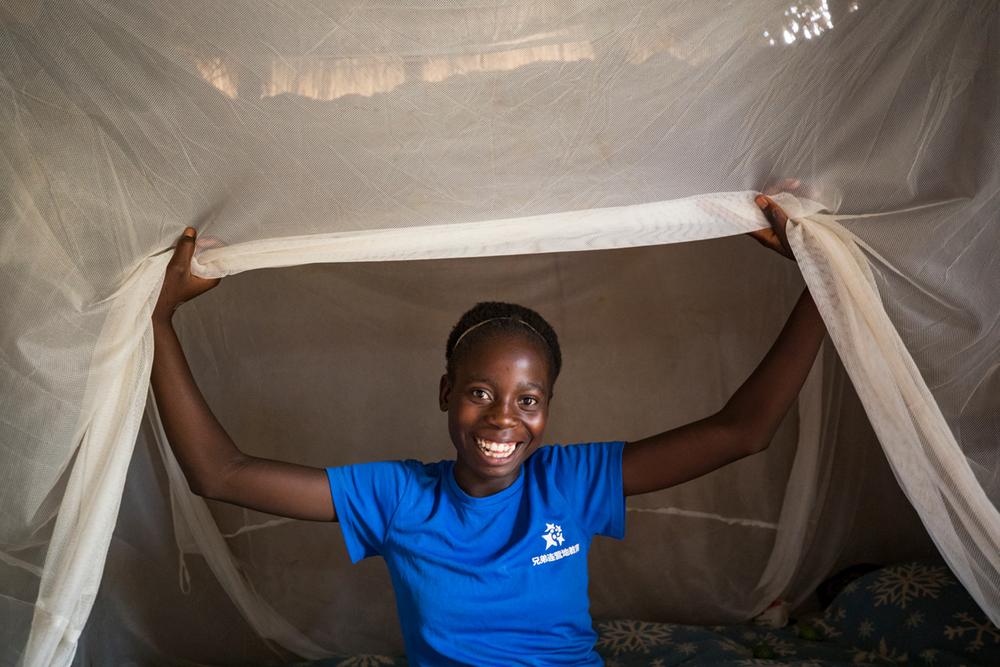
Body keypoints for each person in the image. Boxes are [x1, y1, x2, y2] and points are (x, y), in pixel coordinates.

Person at [150, 195, 825, 665]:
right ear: (446, 393)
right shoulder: (398, 496)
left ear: (548, 409)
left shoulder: (572, 481)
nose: (504, 416)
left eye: (528, 399)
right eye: (480, 392)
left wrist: (823, 284)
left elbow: (744, 429)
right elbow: (220, 472)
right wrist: (157, 323)